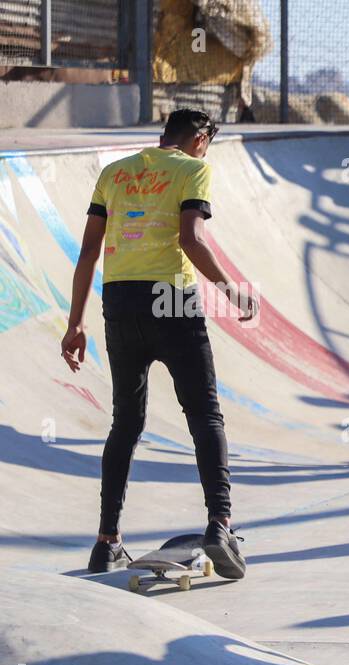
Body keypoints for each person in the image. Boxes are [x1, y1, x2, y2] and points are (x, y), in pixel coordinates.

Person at [60, 108, 258, 577]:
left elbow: (89, 250)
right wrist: (231, 290)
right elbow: (191, 238)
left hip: (120, 301)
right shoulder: (194, 169)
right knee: (204, 414)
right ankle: (219, 525)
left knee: (125, 423)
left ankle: (106, 541)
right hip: (171, 298)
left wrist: (75, 323)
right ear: (201, 139)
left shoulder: (113, 172)